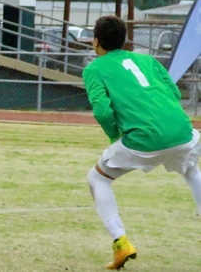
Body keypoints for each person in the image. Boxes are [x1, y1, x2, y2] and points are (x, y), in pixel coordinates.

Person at [83, 15, 201, 270]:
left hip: (143, 138)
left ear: (95, 42)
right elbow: (174, 91)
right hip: (184, 131)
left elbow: (102, 111)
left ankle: (120, 242)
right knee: (190, 169)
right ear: (124, 39)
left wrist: (116, 135)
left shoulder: (94, 68)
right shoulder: (147, 59)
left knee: (98, 178)